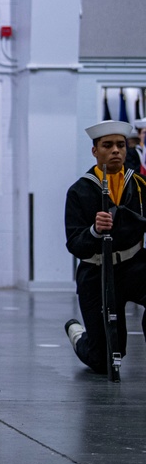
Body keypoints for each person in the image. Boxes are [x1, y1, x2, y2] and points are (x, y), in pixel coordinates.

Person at [63, 121, 146, 374]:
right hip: (96, 272)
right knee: (107, 360)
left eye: (120, 145)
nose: (115, 151)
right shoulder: (79, 191)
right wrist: (94, 230)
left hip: (134, 265)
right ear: (95, 151)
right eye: (107, 146)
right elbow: (75, 244)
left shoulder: (140, 185)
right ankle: (79, 335)